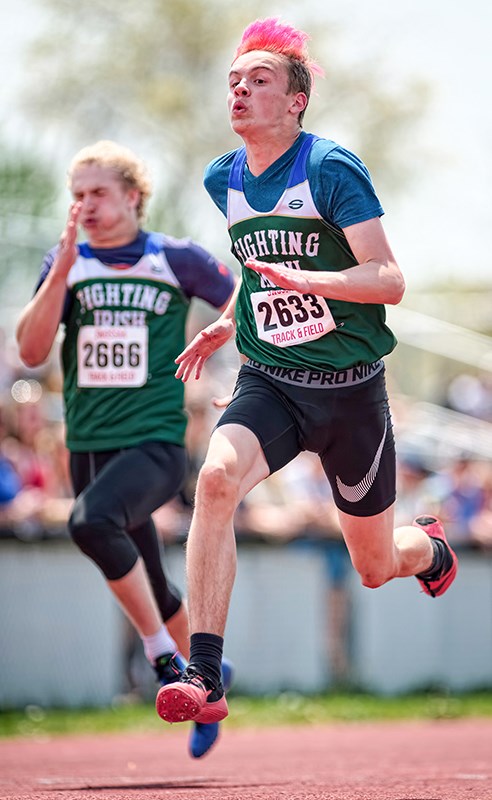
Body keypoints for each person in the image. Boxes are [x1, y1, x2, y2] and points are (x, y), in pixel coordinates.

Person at [154, 17, 458, 726]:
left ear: (295, 101)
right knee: (216, 480)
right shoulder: (221, 177)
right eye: (233, 81)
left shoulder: (329, 168)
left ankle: (431, 548)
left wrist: (312, 281)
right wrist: (235, 316)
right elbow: (255, 267)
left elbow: (388, 278)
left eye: (259, 81)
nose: (239, 90)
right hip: (272, 381)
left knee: (375, 566)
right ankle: (205, 674)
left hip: (350, 390)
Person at [16, 140, 236, 757]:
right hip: (88, 444)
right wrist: (61, 267)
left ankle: (164, 659)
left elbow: (246, 300)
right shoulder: (66, 261)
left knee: (89, 522)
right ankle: (211, 682)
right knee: (156, 585)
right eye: (77, 195)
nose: (85, 205)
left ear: (132, 196)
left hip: (155, 441)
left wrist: (240, 372)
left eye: (98, 193)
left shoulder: (176, 258)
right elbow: (32, 351)